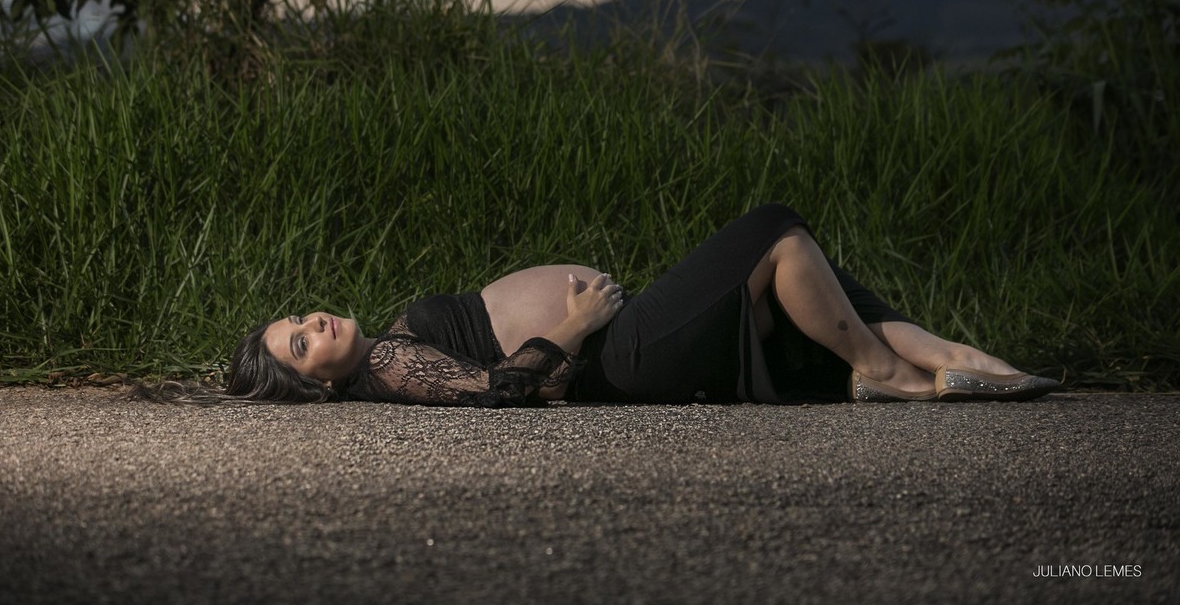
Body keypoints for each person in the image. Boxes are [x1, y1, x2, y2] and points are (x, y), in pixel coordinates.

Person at [194, 204, 1058, 408]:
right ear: (312, 385)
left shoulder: (381, 345)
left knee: (816, 285)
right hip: (617, 356)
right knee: (776, 231)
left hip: (624, 339)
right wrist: (575, 322)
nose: (316, 326)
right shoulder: (387, 365)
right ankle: (895, 376)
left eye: (302, 319)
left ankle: (965, 363)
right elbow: (499, 392)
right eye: (302, 346)